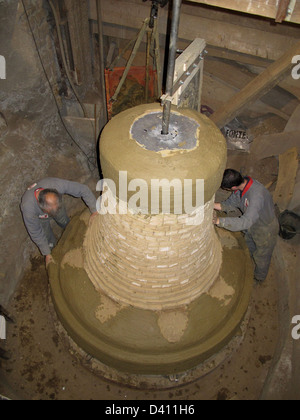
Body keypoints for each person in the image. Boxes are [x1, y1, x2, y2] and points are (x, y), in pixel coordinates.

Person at [214, 169, 279, 283]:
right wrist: (211, 206)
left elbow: (245, 222)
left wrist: (219, 221)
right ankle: (248, 262)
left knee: (262, 256)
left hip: (265, 229)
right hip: (253, 224)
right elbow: (230, 204)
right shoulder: (241, 185)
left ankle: (259, 278)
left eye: (227, 189)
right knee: (248, 244)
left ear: (233, 187)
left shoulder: (256, 196)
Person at [21, 178, 98, 267]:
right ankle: (54, 250)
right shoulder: (28, 208)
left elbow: (83, 189)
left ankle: (70, 232)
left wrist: (95, 210)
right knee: (47, 237)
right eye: (51, 211)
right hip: (41, 219)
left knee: (64, 220)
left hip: (56, 207)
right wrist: (46, 253)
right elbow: (36, 232)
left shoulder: (56, 185)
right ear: (42, 208)